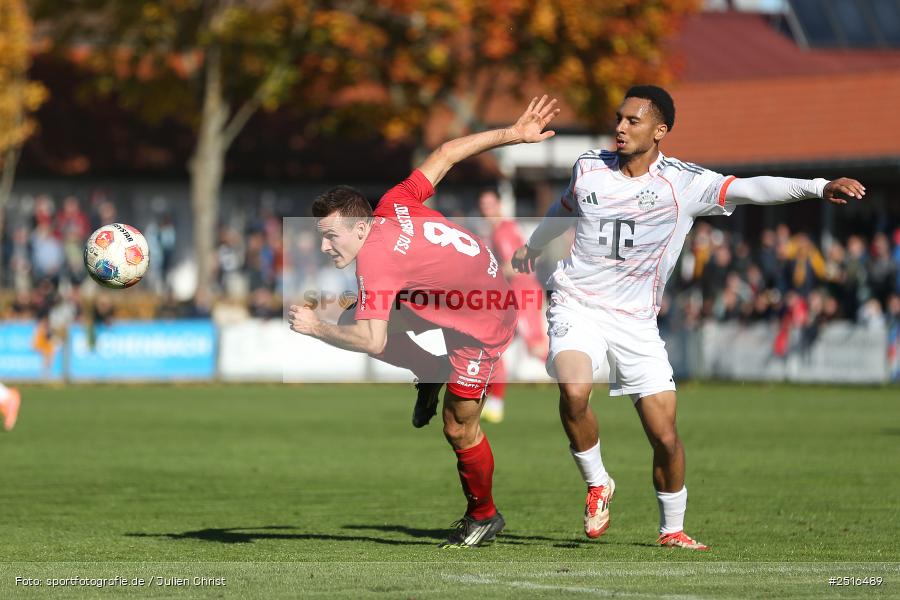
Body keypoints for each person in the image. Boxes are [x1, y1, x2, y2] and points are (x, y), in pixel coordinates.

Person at [512, 85, 865, 550]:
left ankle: (671, 529)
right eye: (619, 118)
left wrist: (818, 187)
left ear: (660, 131)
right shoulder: (589, 167)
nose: (620, 127)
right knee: (574, 390)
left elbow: (752, 188)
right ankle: (598, 482)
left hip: (636, 322)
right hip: (577, 302)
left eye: (632, 121)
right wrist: (534, 246)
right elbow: (564, 209)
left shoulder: (683, 183)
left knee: (665, 436)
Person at [289, 95, 560, 548]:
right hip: (452, 293)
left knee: (458, 427)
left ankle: (484, 515)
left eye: (329, 236)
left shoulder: (375, 262)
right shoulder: (393, 201)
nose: (324, 247)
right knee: (357, 314)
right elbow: (447, 153)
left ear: (358, 228)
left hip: (485, 318)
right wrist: (513, 134)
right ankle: (431, 369)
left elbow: (372, 340)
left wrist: (317, 329)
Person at [476, 189, 549, 423]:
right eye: (483, 206)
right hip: (512, 295)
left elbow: (514, 265)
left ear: (499, 205)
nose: (486, 211)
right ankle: (495, 406)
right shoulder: (500, 230)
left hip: (522, 292)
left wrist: (489, 273)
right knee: (495, 347)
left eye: (490, 205)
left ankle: (575, 383)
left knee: (536, 346)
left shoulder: (503, 231)